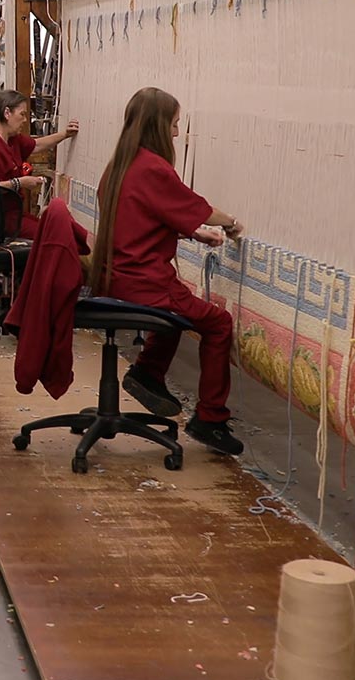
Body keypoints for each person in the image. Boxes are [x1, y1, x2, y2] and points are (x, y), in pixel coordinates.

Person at [85, 86, 247, 456]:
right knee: (217, 323)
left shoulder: (117, 166)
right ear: (158, 126)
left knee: (178, 308)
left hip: (112, 278)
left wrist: (194, 233)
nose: (176, 133)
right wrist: (231, 223)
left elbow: (141, 217)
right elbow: (198, 207)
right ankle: (211, 419)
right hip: (143, 283)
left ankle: (148, 373)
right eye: (174, 124)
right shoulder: (153, 168)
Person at [0, 89, 79, 241]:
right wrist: (20, 182)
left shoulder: (11, 139)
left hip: (13, 215)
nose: (25, 120)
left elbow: (37, 145)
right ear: (7, 113)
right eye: (22, 114)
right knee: (57, 236)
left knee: (62, 229)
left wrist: (65, 134)